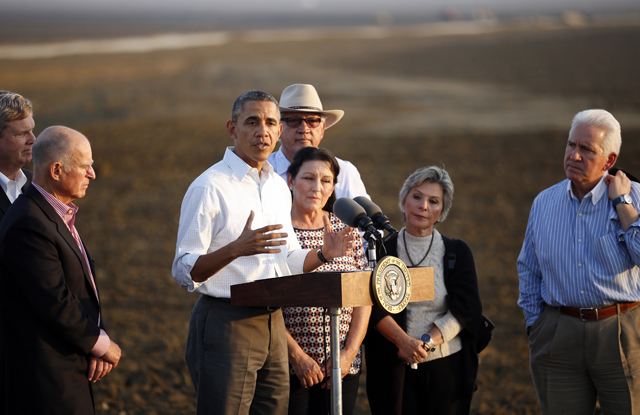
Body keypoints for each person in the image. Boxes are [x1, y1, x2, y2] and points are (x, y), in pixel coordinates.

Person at [172, 90, 355, 415]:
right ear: (233, 128)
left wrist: (324, 254)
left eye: (271, 122)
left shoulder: (274, 186)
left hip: (273, 321)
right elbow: (184, 270)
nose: (264, 131)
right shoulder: (209, 187)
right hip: (227, 319)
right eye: (252, 121)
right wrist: (235, 249)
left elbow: (288, 258)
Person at [518, 109, 640, 414]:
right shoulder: (544, 202)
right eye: (571, 145)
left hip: (622, 334)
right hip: (558, 335)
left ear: (609, 160)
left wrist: (622, 203)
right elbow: (529, 267)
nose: (574, 156)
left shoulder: (635, 197)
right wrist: (537, 327)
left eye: (586, 149)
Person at [0, 126, 121, 415]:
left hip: (70, 365)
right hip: (47, 380)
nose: (93, 174)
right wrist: (101, 344)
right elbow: (54, 300)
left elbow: (78, 286)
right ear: (56, 171)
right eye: (85, 166)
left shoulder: (53, 213)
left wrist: (93, 340)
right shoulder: (28, 223)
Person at [365, 166, 484, 415]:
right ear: (404, 200)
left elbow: (466, 310)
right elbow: (371, 307)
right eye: (417, 196)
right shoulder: (381, 251)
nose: (423, 206)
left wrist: (424, 343)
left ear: (442, 211)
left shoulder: (457, 252)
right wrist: (404, 342)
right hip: (393, 368)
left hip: (446, 367)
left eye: (433, 201)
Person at [282, 147, 371, 415]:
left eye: (325, 181)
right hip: (289, 365)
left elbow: (363, 297)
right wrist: (297, 357)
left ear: (333, 187)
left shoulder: (347, 230)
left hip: (342, 366)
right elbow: (265, 299)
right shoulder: (277, 229)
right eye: (308, 178)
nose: (316, 188)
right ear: (290, 181)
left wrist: (347, 354)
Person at [267, 84, 369, 200]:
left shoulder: (345, 172)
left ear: (322, 128)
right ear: (278, 128)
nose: (304, 129)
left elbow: (364, 216)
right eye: (293, 121)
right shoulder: (260, 171)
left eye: (312, 121)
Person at [0, 90, 36, 415]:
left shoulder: (33, 190)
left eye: (33, 129)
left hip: (32, 351)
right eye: (22, 133)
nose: (33, 139)